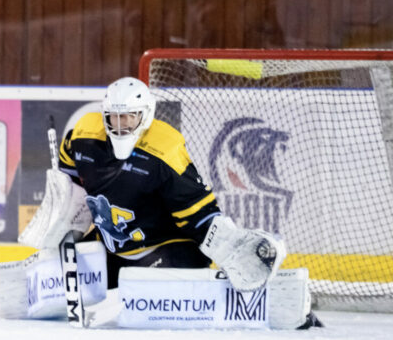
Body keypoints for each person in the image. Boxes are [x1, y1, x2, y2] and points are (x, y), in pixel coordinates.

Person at [58, 76, 285, 293]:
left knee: (146, 290)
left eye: (129, 116)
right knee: (55, 276)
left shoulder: (164, 150)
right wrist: (63, 230)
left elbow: (197, 212)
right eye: (114, 117)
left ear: (145, 116)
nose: (121, 124)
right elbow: (67, 184)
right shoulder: (83, 136)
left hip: (164, 247)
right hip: (114, 248)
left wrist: (229, 244)